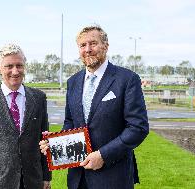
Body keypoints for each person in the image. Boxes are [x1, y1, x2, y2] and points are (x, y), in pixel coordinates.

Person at [40, 25, 149, 189]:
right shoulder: (73, 82)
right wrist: (56, 142)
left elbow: (138, 128)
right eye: (83, 45)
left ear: (105, 46)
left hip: (113, 177)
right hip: (78, 178)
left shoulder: (127, 79)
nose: (88, 49)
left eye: (93, 43)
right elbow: (71, 122)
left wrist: (103, 155)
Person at [0, 43, 52, 189]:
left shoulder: (38, 98)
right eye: (9, 66)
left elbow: (44, 140)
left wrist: (46, 177)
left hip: (33, 182)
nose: (15, 71)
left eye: (19, 65)